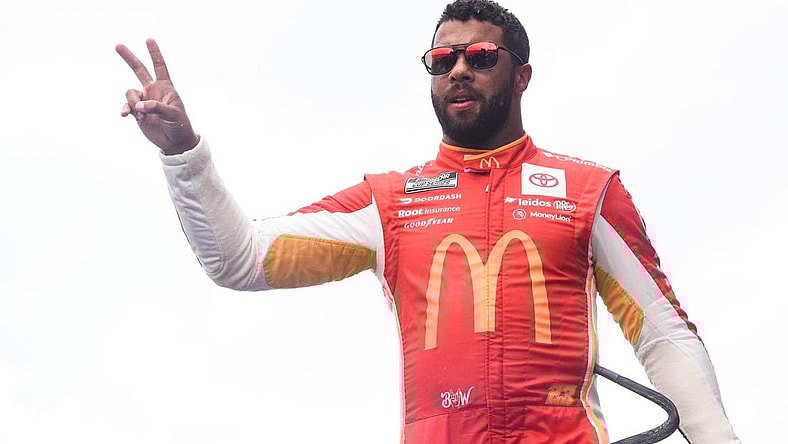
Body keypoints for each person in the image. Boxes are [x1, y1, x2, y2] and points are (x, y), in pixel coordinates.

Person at [117, 1, 740, 442]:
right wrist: (183, 153)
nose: (458, 69)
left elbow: (665, 336)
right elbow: (239, 259)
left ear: (521, 75)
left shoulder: (589, 190)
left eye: (481, 56)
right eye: (442, 60)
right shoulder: (389, 202)